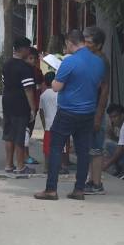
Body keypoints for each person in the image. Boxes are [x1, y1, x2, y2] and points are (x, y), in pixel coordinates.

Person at [34, 28, 106, 201]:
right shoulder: (99, 62)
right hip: (88, 112)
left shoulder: (69, 62)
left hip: (67, 112)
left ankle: (51, 189)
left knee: (56, 148)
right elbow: (97, 85)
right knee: (83, 151)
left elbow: (56, 87)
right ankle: (79, 189)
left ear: (70, 43)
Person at [1, 37, 38, 175]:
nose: (29, 51)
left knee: (9, 135)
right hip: (20, 104)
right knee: (19, 135)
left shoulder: (6, 64)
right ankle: (21, 166)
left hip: (7, 103)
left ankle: (8, 164)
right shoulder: (25, 67)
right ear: (22, 49)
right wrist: (33, 108)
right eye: (28, 48)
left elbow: (4, 84)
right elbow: (28, 90)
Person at [83, 28, 111, 195]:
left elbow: (105, 90)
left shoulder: (102, 62)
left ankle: (97, 183)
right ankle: (91, 180)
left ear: (99, 45)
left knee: (96, 148)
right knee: (89, 147)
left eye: (89, 42)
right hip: (88, 107)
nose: (86, 45)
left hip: (95, 109)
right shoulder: (91, 58)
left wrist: (99, 115)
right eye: (84, 41)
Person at [94, 104, 124, 184]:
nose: (113, 120)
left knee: (108, 144)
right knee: (110, 143)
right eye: (111, 117)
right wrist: (113, 136)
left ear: (122, 115)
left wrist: (106, 166)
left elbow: (119, 151)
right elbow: (121, 143)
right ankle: (119, 169)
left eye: (115, 116)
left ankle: (123, 168)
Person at [38, 70, 59, 169]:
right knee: (60, 146)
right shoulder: (58, 94)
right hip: (58, 124)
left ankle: (46, 166)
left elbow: (41, 112)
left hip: (48, 125)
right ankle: (60, 166)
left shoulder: (43, 95)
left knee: (47, 147)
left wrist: (44, 123)